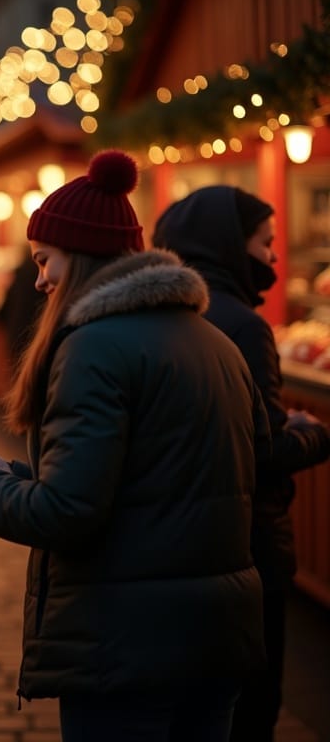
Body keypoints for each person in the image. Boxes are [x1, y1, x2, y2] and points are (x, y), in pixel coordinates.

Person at [0, 151, 268, 741]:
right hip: (217, 635)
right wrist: (13, 473)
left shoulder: (93, 348)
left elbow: (69, 512)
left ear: (81, 256)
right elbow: (158, 479)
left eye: (45, 260)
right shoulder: (214, 341)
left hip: (127, 644)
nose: (39, 280)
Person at [153, 185, 330, 742]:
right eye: (265, 242)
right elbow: (258, 449)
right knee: (252, 705)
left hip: (178, 540)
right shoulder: (245, 327)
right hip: (249, 541)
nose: (273, 256)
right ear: (228, 242)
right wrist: (314, 435)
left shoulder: (162, 315)